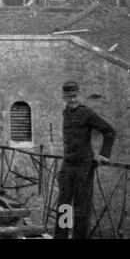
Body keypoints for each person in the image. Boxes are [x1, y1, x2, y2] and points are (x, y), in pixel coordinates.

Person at [54, 81, 116, 239]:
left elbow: (109, 131)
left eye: (74, 96)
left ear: (79, 95)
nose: (72, 100)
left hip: (84, 166)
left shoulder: (86, 113)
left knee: (82, 207)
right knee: (64, 205)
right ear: (64, 97)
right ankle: (61, 236)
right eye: (69, 97)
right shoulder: (65, 113)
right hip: (68, 165)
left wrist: (103, 155)